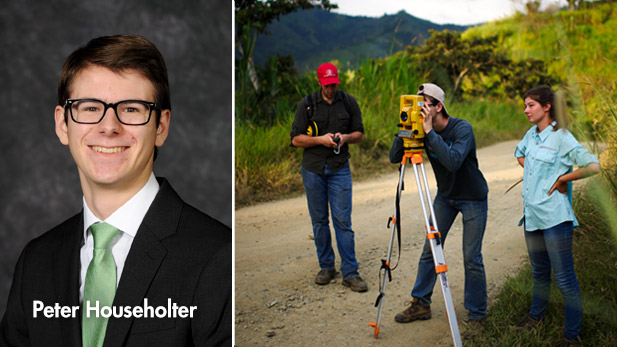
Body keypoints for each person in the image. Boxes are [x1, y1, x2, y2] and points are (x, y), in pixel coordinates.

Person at [0, 35, 231, 346]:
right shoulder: (36, 261)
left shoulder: (218, 256)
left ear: (160, 127)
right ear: (63, 124)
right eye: (90, 107)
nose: (109, 126)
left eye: (132, 109)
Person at [390, 83, 489, 327]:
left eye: (425, 104)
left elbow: (453, 161)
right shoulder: (421, 128)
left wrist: (429, 133)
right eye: (417, 103)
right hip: (446, 196)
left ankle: (477, 313)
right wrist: (405, 127)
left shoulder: (462, 128)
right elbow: (394, 157)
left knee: (471, 257)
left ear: (439, 106)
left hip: (472, 197)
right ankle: (421, 303)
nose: (420, 108)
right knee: (429, 249)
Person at [512, 85, 599, 346]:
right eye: (525, 105)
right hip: (532, 217)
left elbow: (592, 165)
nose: (526, 110)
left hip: (555, 219)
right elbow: (519, 155)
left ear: (547, 107)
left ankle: (572, 336)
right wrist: (538, 175)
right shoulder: (531, 134)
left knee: (564, 279)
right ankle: (535, 319)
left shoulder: (562, 137)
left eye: (531, 105)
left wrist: (563, 178)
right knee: (539, 274)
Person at [290, 62, 367, 292]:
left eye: (334, 85)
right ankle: (326, 267)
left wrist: (344, 138)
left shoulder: (349, 102)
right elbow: (295, 139)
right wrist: (320, 140)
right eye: (327, 85)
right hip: (313, 169)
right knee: (320, 222)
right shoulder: (307, 105)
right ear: (319, 82)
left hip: (339, 168)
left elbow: (360, 134)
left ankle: (350, 273)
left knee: (343, 221)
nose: (331, 89)